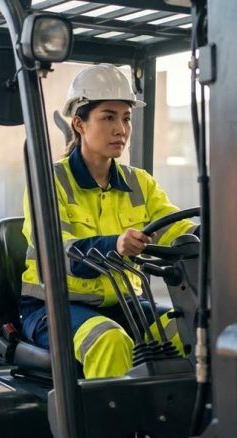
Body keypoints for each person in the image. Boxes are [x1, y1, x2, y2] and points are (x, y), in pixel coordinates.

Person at [19, 64, 196, 379]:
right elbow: (58, 253)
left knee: (190, 325)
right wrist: (114, 245)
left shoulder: (140, 183)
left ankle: (175, 421)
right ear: (79, 124)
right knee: (108, 339)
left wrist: (220, 235)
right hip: (56, 307)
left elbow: (178, 230)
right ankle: (114, 429)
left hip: (123, 304)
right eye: (108, 117)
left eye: (126, 118)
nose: (121, 129)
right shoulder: (49, 182)